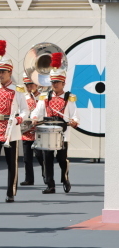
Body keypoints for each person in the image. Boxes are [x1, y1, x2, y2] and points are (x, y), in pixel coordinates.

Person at [0, 40, 29, 203]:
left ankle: (11, 192)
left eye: (3, 72)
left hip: (12, 130)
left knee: (12, 164)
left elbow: (26, 110)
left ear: (10, 72)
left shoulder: (18, 91)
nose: (0, 75)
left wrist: (19, 119)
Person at [31, 52, 79, 194]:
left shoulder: (69, 98)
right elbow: (37, 111)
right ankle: (50, 184)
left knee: (62, 159)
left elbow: (75, 115)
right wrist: (34, 117)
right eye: (53, 82)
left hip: (63, 133)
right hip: (47, 132)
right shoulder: (45, 97)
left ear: (63, 83)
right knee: (47, 159)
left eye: (57, 82)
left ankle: (65, 178)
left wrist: (75, 121)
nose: (54, 85)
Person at [20, 72, 46, 186]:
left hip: (39, 130)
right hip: (26, 131)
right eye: (27, 85)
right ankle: (29, 178)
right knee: (27, 158)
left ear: (36, 84)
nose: (29, 87)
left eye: (31, 84)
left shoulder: (42, 97)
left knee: (40, 155)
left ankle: (46, 176)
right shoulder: (24, 97)